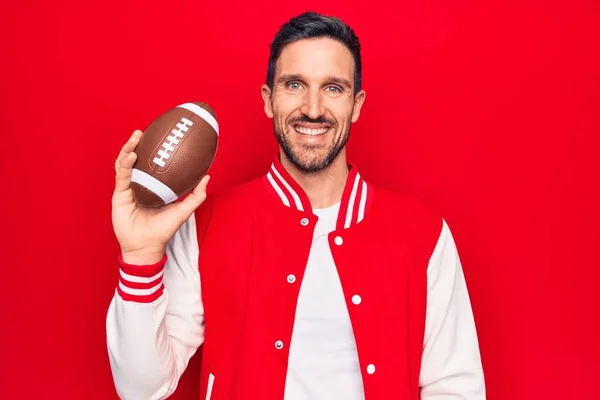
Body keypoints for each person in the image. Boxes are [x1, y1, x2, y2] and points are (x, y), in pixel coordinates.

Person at [106, 11, 486, 400]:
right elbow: (141, 388)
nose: (314, 109)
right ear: (269, 100)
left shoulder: (423, 234)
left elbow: (456, 387)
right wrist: (140, 256)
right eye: (294, 85)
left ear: (356, 105)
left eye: (333, 88)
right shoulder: (208, 224)